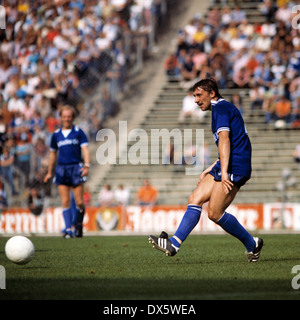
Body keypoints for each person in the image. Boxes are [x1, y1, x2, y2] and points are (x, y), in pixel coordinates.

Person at [149, 79, 264, 262]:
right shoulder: (222, 108)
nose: (195, 100)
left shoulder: (219, 108)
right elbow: (232, 143)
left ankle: (252, 244)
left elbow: (225, 140)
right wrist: (211, 168)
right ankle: (174, 243)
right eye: (194, 96)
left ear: (212, 93)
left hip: (235, 165)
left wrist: (224, 172)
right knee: (195, 198)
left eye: (198, 95)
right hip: (228, 162)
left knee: (214, 213)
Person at [44, 105, 90, 238]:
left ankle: (78, 225)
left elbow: (85, 150)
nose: (67, 119)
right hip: (61, 169)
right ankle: (68, 229)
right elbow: (53, 154)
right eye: (64, 116)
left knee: (79, 202)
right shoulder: (56, 135)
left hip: (76, 168)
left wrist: (86, 166)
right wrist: (49, 172)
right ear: (61, 117)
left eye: (69, 116)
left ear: (73, 117)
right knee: (65, 201)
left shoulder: (78, 132)